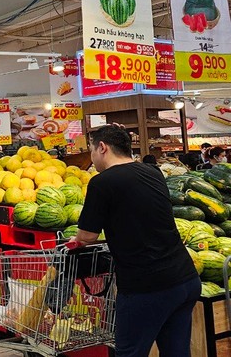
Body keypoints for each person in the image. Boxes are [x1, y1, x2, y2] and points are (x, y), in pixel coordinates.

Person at [72, 125, 200, 357]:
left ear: (102, 147)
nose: (91, 158)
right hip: (185, 278)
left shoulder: (102, 182)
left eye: (91, 150)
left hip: (147, 286)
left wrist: (78, 239)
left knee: (130, 352)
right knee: (177, 352)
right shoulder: (153, 171)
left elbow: (87, 236)